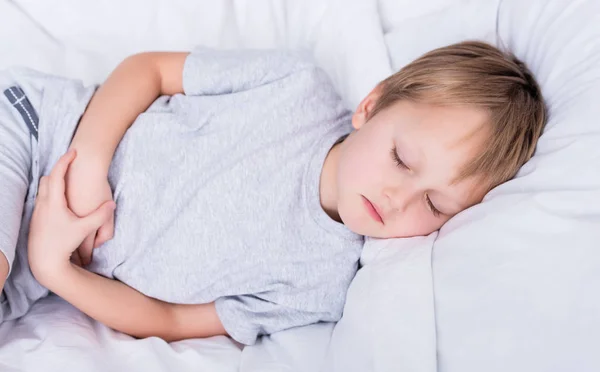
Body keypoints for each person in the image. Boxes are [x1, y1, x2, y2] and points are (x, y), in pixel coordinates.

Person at [1, 41, 547, 345]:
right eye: (402, 159)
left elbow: (168, 320)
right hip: (36, 130)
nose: (398, 198)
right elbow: (148, 69)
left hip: (37, 267)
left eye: (435, 205)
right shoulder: (295, 87)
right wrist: (89, 165)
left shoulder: (322, 284)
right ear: (372, 107)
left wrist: (56, 271)